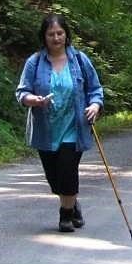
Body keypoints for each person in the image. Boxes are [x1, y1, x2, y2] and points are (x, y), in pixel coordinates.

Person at [15, 12, 103, 232]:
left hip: (74, 127)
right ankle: (72, 203)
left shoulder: (80, 60)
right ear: (44, 37)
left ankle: (65, 216)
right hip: (46, 130)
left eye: (60, 33)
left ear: (66, 35)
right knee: (54, 178)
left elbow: (95, 89)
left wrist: (95, 105)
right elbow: (22, 91)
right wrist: (33, 100)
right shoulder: (34, 62)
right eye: (51, 34)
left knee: (67, 170)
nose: (56, 38)